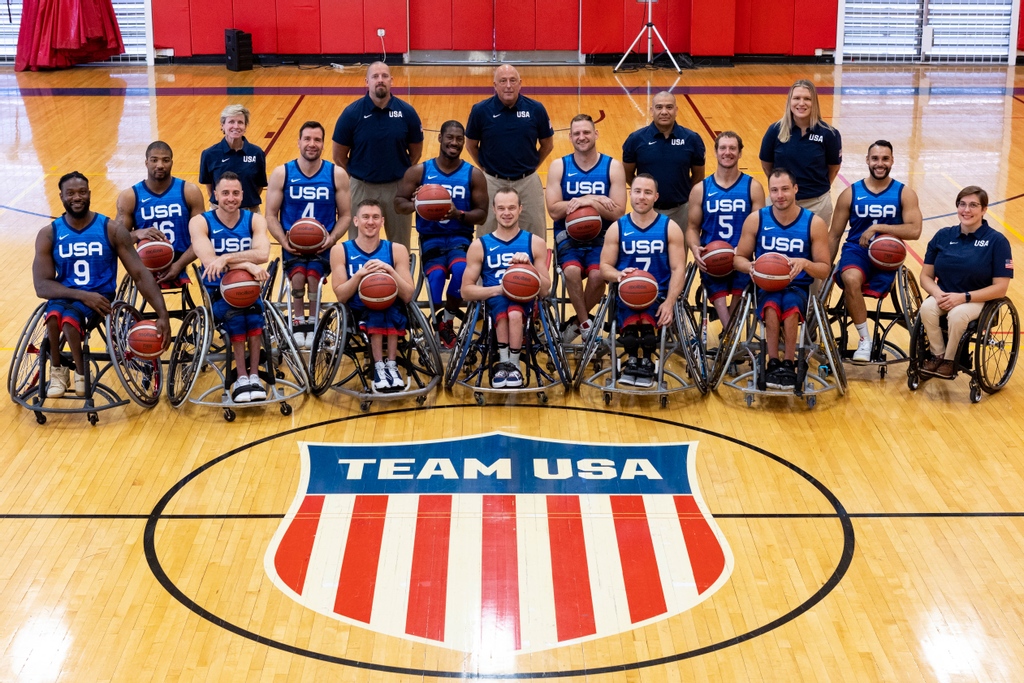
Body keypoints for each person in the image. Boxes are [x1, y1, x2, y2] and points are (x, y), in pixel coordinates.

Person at [33, 172, 171, 398]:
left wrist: (162, 313)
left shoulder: (111, 229)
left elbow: (140, 274)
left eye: (82, 192)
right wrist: (81, 295)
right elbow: (41, 286)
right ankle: (57, 372)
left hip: (100, 297)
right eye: (70, 193)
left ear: (89, 194)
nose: (77, 197)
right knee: (53, 317)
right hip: (68, 295)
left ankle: (81, 372)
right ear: (61, 197)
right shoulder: (49, 233)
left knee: (68, 320)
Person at [734, 168, 831, 390]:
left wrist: (805, 263)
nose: (780, 195)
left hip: (797, 287)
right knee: (770, 306)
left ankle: (789, 362)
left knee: (791, 306)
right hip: (766, 286)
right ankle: (772, 362)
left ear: (795, 189)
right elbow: (738, 259)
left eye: (785, 189)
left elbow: (825, 269)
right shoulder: (756, 219)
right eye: (775, 190)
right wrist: (752, 267)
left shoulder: (813, 223)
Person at [394, 120, 488, 348]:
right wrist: (418, 204)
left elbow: (482, 215)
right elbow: (398, 203)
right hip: (431, 238)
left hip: (460, 238)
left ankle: (448, 319)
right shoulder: (420, 171)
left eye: (459, 139)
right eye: (450, 137)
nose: (454, 143)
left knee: (461, 271)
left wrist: (459, 214)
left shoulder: (473, 174)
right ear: (440, 138)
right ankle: (435, 323)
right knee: (436, 277)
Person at [829, 140, 922, 362]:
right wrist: (825, 267)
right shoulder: (851, 193)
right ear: (867, 161)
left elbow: (915, 230)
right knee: (850, 278)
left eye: (885, 159)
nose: (880, 163)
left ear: (892, 161)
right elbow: (834, 235)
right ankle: (864, 340)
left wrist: (878, 228)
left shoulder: (904, 193)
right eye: (875, 159)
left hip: (887, 255)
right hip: (857, 250)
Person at [265, 121, 352, 349]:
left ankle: (313, 322)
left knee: (313, 276)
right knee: (297, 277)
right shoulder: (282, 173)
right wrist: (283, 240)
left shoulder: (336, 174)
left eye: (317, 140)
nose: (312, 144)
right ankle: (297, 321)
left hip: (322, 244)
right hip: (292, 243)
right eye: (307, 139)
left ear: (323, 144)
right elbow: (271, 215)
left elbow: (345, 215)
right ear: (298, 142)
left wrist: (332, 239)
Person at [189, 172, 272, 403]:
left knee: (255, 318)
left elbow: (263, 254)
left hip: (249, 288)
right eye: (225, 193)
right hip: (218, 291)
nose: (231, 198)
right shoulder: (200, 222)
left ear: (242, 195)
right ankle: (241, 377)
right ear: (215, 194)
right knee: (236, 320)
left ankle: (254, 376)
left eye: (236, 193)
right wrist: (246, 263)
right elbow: (209, 261)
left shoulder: (254, 220)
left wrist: (225, 258)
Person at [599, 174, 687, 388]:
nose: (642, 197)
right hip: (626, 295)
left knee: (648, 333)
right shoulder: (618, 227)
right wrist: (618, 275)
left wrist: (670, 302)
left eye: (648, 192)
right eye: (637, 191)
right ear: (630, 194)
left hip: (659, 295)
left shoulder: (669, 227)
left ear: (656, 197)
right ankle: (632, 362)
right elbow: (604, 267)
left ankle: (646, 362)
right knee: (629, 335)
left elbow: (678, 269)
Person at [546, 113, 627, 344]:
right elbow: (554, 210)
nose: (582, 137)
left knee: (599, 273)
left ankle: (576, 325)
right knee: (571, 271)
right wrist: (593, 199)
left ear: (596, 134)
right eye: (577, 133)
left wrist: (587, 201)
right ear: (570, 137)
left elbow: (618, 212)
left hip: (603, 236)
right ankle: (586, 325)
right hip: (568, 235)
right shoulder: (559, 166)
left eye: (586, 132)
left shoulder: (613, 166)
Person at [918, 186, 1013, 378]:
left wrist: (964, 297)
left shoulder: (997, 241)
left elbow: (1000, 288)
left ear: (984, 209)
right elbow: (925, 276)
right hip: (944, 295)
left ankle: (951, 360)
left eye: (973, 205)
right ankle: (937, 355)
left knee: (957, 315)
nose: (966, 210)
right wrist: (937, 293)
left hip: (977, 300)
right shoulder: (943, 236)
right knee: (926, 308)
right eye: (962, 204)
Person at [461, 188, 551, 388]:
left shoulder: (535, 243)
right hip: (494, 299)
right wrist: (501, 289)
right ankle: (503, 363)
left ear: (520, 209)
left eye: (511, 207)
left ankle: (514, 365)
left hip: (525, 299)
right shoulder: (480, 245)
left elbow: (545, 290)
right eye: (501, 208)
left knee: (515, 313)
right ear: (494, 210)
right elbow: (466, 291)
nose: (506, 213)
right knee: (504, 311)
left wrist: (530, 269)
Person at [332, 62, 423, 249]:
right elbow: (339, 155)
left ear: (391, 80)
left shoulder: (407, 112)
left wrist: (399, 175)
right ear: (367, 82)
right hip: (361, 188)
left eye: (384, 76)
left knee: (400, 247)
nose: (380, 80)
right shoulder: (351, 114)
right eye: (375, 76)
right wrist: (358, 177)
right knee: (358, 246)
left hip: (398, 189)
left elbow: (416, 152)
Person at [331, 199, 415, 392]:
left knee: (389, 308)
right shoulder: (340, 250)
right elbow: (341, 296)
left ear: (382, 221)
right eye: (366, 217)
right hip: (357, 309)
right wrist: (359, 275)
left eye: (376, 217)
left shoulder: (396, 250)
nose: (371, 222)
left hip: (391, 304)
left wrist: (390, 271)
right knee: (377, 311)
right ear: (356, 221)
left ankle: (391, 366)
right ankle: (379, 367)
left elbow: (408, 294)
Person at [686, 131, 765, 331]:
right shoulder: (701, 189)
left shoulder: (753, 187)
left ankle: (728, 334)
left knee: (741, 287)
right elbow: (692, 228)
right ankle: (731, 334)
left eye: (732, 148)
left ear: (740, 153)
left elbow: (760, 228)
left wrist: (745, 249)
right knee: (717, 291)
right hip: (712, 258)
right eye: (723, 148)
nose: (727, 152)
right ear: (715, 152)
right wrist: (695, 249)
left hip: (741, 256)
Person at [465, 64, 554, 239]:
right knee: (486, 236)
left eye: (513, 80)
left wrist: (531, 166)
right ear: (495, 85)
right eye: (503, 81)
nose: (508, 86)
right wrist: (486, 170)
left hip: (528, 182)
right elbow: (471, 145)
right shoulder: (480, 111)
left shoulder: (536, 109)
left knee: (536, 235)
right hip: (492, 182)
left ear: (520, 84)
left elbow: (547, 144)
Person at [113, 141, 206, 288]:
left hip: (180, 260)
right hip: (146, 263)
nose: (160, 165)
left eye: (165, 160)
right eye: (154, 160)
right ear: (146, 163)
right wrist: (138, 233)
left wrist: (178, 265)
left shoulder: (189, 192)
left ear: (172, 162)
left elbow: (202, 238)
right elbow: (115, 240)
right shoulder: (130, 196)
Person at [760, 80, 842, 226]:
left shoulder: (829, 134)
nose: (801, 103)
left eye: (807, 99)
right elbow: (767, 166)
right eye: (797, 98)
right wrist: (783, 188)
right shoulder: (775, 130)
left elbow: (834, 169)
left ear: (814, 102)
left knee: (815, 241)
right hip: (780, 202)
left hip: (817, 205)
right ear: (790, 101)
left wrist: (814, 190)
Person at [621, 91, 706, 232]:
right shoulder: (635, 140)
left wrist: (683, 197)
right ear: (651, 111)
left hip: (681, 211)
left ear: (676, 110)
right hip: (647, 210)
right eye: (659, 107)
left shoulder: (692, 139)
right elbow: (627, 174)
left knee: (680, 247)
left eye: (669, 107)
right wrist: (646, 193)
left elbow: (698, 176)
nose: (664, 112)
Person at [199, 104, 268, 211]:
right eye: (231, 122)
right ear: (223, 125)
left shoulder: (257, 153)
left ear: (245, 126)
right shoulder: (209, 154)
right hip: (219, 211)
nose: (236, 126)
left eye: (240, 122)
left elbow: (260, 185)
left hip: (249, 212)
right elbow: (210, 187)